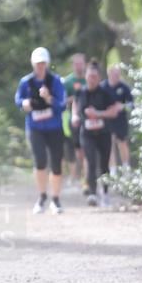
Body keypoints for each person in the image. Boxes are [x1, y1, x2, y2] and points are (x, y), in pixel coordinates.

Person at [15, 47, 67, 214]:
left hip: (54, 128)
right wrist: (23, 104)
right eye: (38, 63)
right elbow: (18, 99)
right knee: (40, 161)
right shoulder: (26, 82)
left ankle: (56, 199)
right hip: (35, 128)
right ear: (33, 64)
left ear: (47, 63)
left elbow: (62, 105)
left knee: (56, 164)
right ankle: (42, 196)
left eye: (43, 63)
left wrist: (48, 98)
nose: (40, 66)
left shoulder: (56, 81)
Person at [78, 60, 122, 207]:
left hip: (104, 133)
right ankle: (92, 193)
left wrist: (97, 114)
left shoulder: (105, 92)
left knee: (104, 164)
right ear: (85, 77)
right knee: (90, 161)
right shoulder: (81, 92)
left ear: (99, 78)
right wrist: (75, 116)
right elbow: (76, 106)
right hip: (87, 134)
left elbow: (114, 112)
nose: (92, 79)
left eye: (95, 77)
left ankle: (105, 193)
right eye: (90, 76)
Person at [102, 64, 134, 175]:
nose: (116, 76)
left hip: (120, 120)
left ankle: (126, 168)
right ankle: (112, 170)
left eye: (118, 74)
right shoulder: (102, 87)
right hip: (107, 120)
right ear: (109, 74)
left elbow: (131, 105)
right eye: (114, 74)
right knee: (109, 145)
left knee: (122, 143)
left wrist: (122, 106)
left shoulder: (124, 87)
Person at [62, 53, 87, 189]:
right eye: (76, 64)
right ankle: (76, 175)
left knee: (87, 148)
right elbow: (62, 100)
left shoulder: (89, 79)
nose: (79, 66)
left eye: (81, 63)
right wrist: (76, 98)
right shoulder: (68, 82)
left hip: (89, 118)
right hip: (73, 119)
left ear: (85, 64)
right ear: (73, 65)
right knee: (76, 149)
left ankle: (86, 176)